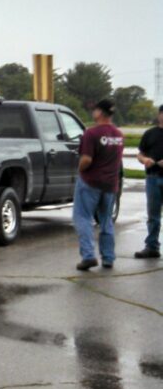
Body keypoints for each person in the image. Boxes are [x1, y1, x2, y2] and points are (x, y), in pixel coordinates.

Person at [73, 98, 124, 271]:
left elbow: (86, 159)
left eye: (94, 109)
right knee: (106, 220)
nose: (93, 112)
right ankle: (108, 257)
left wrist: (79, 170)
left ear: (100, 112)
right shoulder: (118, 135)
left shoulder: (92, 134)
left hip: (90, 182)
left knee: (83, 217)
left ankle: (88, 256)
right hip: (110, 184)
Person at [135, 105, 163, 259]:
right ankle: (152, 246)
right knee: (153, 215)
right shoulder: (150, 133)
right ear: (159, 115)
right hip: (152, 178)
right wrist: (144, 160)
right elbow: (139, 154)